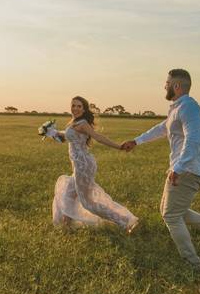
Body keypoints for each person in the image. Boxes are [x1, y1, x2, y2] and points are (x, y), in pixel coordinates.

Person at [121, 69, 200, 267]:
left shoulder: (189, 108)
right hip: (183, 167)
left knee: (171, 215)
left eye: (167, 83)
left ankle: (193, 264)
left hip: (188, 170)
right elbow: (162, 128)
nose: (164, 86)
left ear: (176, 86)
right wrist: (136, 141)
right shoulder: (177, 108)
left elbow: (193, 139)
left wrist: (179, 167)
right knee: (174, 211)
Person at [48, 96, 141, 233]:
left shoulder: (83, 123)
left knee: (88, 203)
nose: (75, 108)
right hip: (78, 164)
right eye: (73, 105)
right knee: (68, 193)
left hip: (83, 165)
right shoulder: (74, 122)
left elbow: (98, 137)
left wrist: (118, 146)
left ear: (84, 109)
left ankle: (126, 221)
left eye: (79, 106)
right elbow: (66, 137)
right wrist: (52, 132)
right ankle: (66, 226)